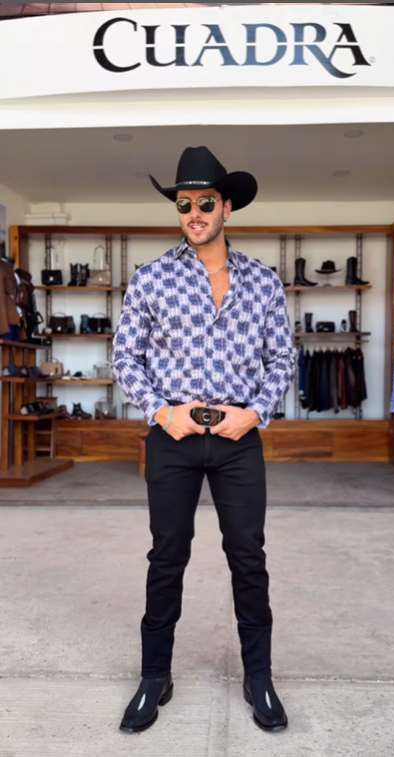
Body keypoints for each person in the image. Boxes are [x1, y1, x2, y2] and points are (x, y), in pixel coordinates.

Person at [113, 146, 296, 735]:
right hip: (173, 438)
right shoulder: (151, 279)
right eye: (184, 203)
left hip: (239, 439)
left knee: (249, 558)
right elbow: (125, 358)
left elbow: (282, 359)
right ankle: (154, 676)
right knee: (166, 557)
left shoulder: (263, 282)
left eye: (205, 202)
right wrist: (161, 412)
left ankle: (259, 676)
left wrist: (256, 413)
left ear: (227, 208)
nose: (194, 212)